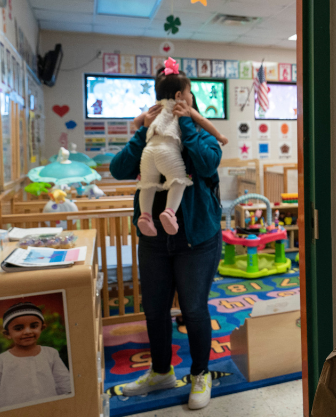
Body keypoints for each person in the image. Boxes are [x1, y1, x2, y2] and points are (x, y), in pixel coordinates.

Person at [110, 74, 223, 410]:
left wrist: (187, 123)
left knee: (194, 309)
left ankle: (200, 373)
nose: (175, 102)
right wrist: (141, 130)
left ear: (187, 99)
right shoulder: (151, 132)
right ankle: (161, 371)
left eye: (182, 97)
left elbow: (206, 163)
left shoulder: (201, 131)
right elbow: (119, 170)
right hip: (154, 240)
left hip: (197, 239)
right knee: (155, 310)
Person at [132, 58, 227, 237]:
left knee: (147, 184)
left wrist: (145, 129)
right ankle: (169, 212)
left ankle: (145, 216)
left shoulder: (155, 109)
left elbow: (136, 122)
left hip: (149, 152)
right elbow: (203, 121)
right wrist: (220, 136)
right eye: (189, 91)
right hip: (167, 151)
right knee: (179, 180)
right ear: (179, 95)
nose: (190, 96)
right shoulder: (183, 107)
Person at [0, 302, 72, 410]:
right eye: (18, 328)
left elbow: (64, 384)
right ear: (7, 334)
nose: (27, 331)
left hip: (49, 411)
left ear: (42, 328)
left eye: (34, 326)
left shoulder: (50, 354)